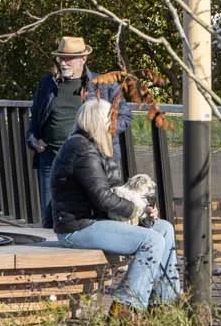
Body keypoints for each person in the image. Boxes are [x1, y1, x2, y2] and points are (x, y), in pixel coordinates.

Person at [50, 96, 181, 311]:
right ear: (97, 121)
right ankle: (126, 305)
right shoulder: (82, 151)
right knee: (151, 240)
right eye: (111, 119)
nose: (115, 124)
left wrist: (145, 208)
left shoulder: (95, 146)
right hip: (78, 227)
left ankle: (163, 302)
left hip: (97, 221)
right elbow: (102, 197)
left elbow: (115, 190)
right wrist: (136, 210)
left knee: (164, 229)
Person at [26, 37, 99, 228]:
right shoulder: (47, 84)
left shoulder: (99, 85)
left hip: (84, 161)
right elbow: (35, 118)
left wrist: (101, 137)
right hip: (51, 158)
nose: (64, 62)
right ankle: (49, 256)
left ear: (83, 59)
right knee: (50, 217)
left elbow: (123, 116)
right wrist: (34, 141)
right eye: (61, 58)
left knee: (85, 214)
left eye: (69, 58)